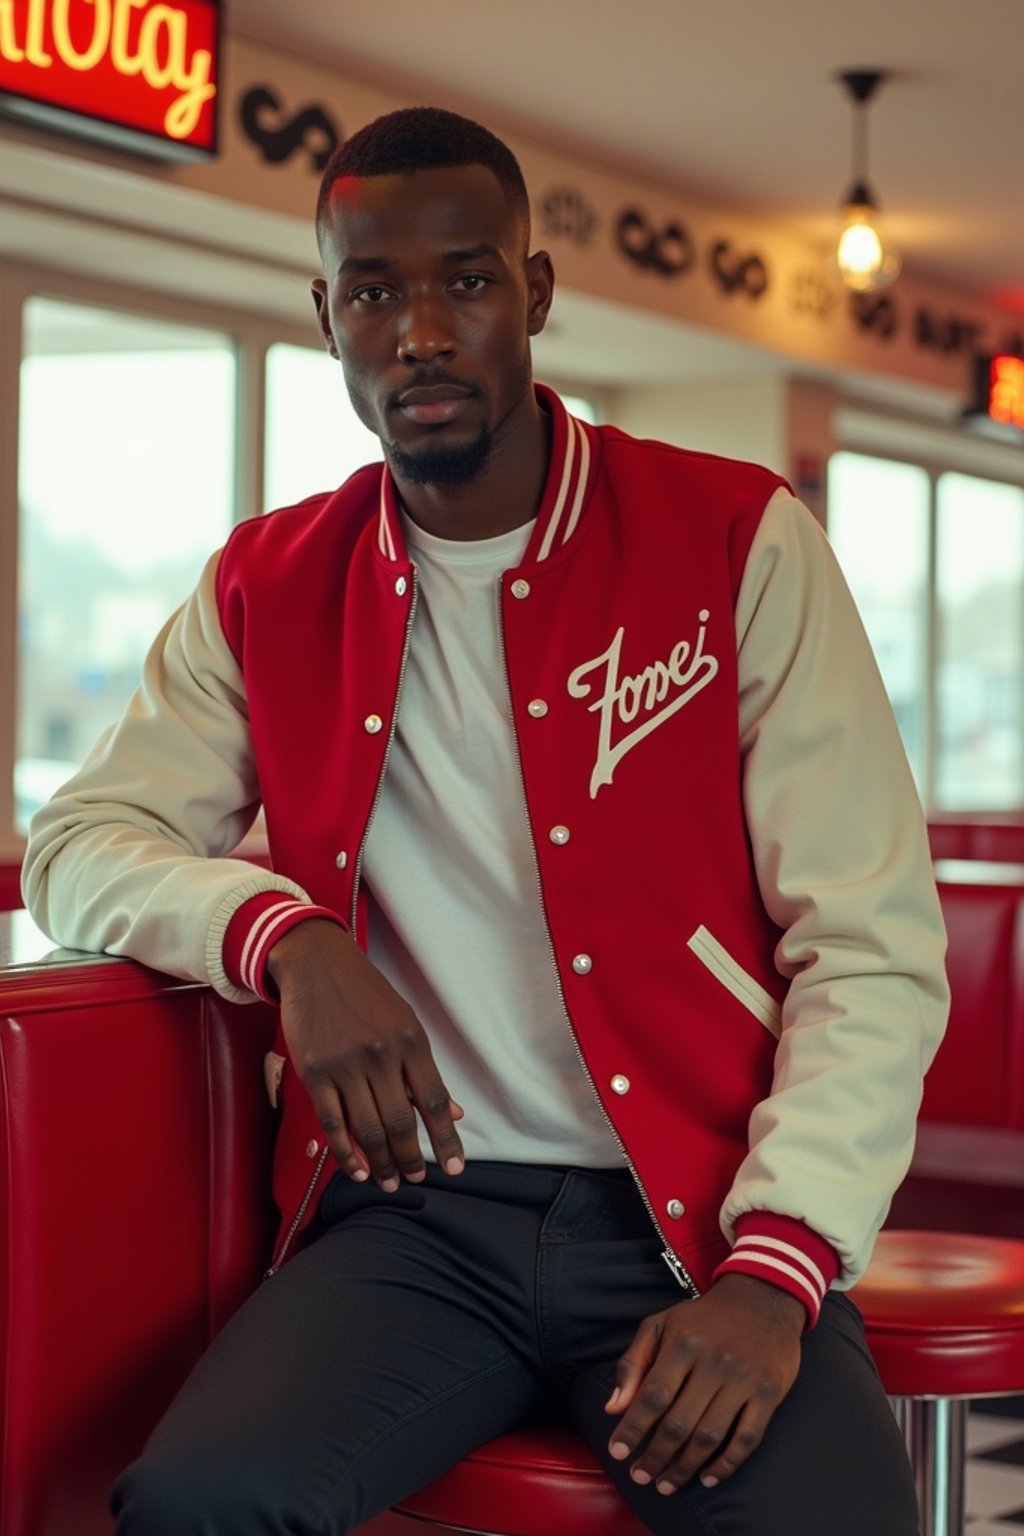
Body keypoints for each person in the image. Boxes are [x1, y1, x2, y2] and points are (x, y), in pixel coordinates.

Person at [22, 106, 948, 1536]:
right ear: (327, 316)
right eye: (378, 293)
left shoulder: (737, 540)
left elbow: (871, 951)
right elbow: (84, 844)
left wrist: (777, 1271)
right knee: (198, 1502)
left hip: (697, 1219)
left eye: (466, 280)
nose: (424, 332)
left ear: (536, 294)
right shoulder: (268, 583)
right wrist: (286, 941)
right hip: (411, 1227)